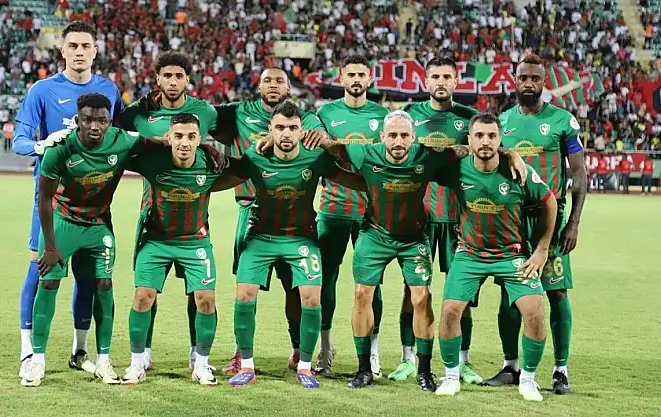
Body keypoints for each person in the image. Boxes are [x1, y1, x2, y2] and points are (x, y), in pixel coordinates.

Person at [311, 110, 527, 391]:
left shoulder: (427, 155)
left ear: (413, 137)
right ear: (382, 137)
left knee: (421, 298)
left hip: (413, 238)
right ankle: (364, 369)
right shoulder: (364, 152)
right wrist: (298, 136)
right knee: (362, 294)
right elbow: (329, 144)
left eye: (404, 135)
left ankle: (424, 370)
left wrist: (510, 153)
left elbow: (470, 149)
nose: (398, 141)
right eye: (392, 135)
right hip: (374, 234)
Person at [12, 21, 124, 379]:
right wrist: (40, 145)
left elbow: (123, 133)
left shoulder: (109, 90)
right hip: (51, 201)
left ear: (95, 51)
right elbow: (19, 141)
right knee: (40, 269)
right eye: (72, 45)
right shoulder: (42, 90)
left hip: (94, 204)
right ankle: (29, 352)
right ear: (62, 50)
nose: (79, 52)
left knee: (89, 277)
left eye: (85, 46)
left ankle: (80, 350)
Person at [225, 101, 364, 389]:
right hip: (261, 237)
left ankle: (304, 366)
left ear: (302, 131)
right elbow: (225, 177)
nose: (286, 134)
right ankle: (247, 365)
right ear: (270, 130)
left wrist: (382, 182)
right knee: (244, 295)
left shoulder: (316, 158)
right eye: (280, 128)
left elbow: (349, 178)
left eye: (292, 128)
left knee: (311, 298)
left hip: (301, 239)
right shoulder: (255, 156)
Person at [212, 68, 328, 375]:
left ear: (289, 88)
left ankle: (298, 350)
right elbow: (202, 119)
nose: (273, 85)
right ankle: (241, 354)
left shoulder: (307, 118)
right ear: (258, 85)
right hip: (251, 211)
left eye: (279, 81)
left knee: (294, 287)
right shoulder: (239, 112)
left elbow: (320, 138)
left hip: (295, 216)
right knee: (245, 286)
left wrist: (278, 138)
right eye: (267, 80)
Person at [21, 94, 142, 387]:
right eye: (87, 120)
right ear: (77, 120)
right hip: (63, 221)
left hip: (98, 224)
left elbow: (162, 142)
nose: (94, 126)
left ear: (110, 122)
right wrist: (50, 246)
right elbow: (44, 198)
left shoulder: (123, 140)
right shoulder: (60, 148)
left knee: (104, 285)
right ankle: (37, 360)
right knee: (48, 283)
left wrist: (205, 148)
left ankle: (103, 360)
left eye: (101, 120)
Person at [434, 112, 556, 402]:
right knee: (450, 311)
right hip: (470, 254)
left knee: (535, 312)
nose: (485, 141)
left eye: (491, 135)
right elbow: (424, 162)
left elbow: (549, 202)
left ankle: (528, 380)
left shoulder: (518, 171)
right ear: (469, 140)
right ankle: (450, 377)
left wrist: (541, 250)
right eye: (479, 135)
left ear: (501, 139)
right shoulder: (456, 169)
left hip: (511, 255)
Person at [488, 54, 588, 395]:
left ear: (544, 82)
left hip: (550, 218)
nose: (529, 83)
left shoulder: (562, 120)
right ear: (515, 81)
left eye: (535, 78)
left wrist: (573, 223)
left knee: (557, 292)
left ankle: (560, 370)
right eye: (523, 78)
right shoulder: (502, 122)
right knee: (509, 292)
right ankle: (510, 366)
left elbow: (579, 173)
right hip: (512, 219)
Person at [119, 113, 241, 386]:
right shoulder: (152, 162)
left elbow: (245, 168)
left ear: (200, 140)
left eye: (191, 137)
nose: (184, 143)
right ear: (169, 138)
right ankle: (137, 363)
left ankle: (202, 364)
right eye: (178, 136)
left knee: (206, 299)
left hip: (194, 242)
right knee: (143, 296)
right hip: (156, 241)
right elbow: (120, 152)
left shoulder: (211, 163)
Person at [117, 51, 218, 371]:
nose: (173, 82)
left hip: (193, 214)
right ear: (157, 79)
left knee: (198, 291)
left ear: (188, 80)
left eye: (179, 76)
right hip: (153, 212)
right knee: (148, 289)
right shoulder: (139, 113)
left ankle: (197, 351)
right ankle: (143, 351)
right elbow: (114, 135)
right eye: (167, 76)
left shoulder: (205, 112)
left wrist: (209, 147)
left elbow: (230, 133)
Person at [400, 55, 481, 384]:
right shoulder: (409, 115)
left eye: (447, 76)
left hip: (460, 218)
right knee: (412, 290)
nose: (441, 82)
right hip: (419, 217)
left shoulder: (470, 119)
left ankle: (463, 361)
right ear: (425, 82)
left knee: (463, 293)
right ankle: (407, 359)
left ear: (456, 81)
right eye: (435, 76)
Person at [314, 54, 388, 376]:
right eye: (351, 74)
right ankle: (325, 347)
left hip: (371, 212)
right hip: (333, 209)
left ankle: (373, 352)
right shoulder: (325, 114)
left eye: (361, 74)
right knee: (325, 280)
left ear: (369, 78)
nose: (356, 79)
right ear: (341, 78)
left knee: (372, 284)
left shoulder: (383, 116)